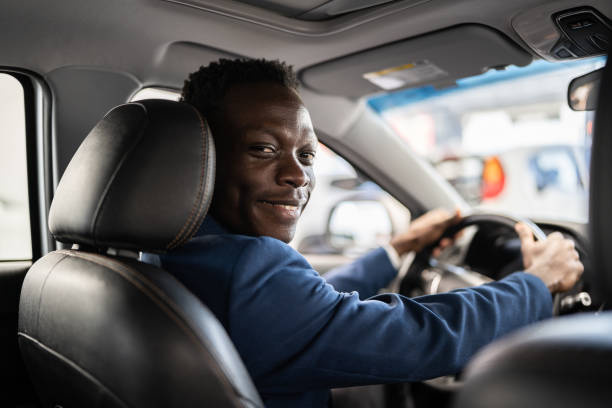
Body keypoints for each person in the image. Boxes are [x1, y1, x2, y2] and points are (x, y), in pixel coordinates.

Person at [142, 58, 583, 407]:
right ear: (204, 157)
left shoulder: (170, 252)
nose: (298, 175)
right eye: (263, 149)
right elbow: (417, 338)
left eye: (308, 155)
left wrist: (394, 250)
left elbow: (310, 314)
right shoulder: (245, 269)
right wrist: (535, 285)